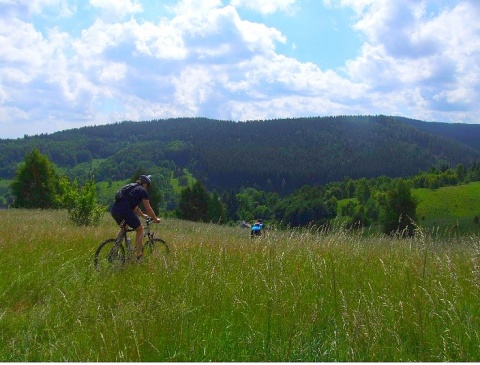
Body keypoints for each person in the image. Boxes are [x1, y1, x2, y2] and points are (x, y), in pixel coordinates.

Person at [111, 175, 161, 261]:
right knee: (140, 229)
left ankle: (114, 250)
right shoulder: (142, 191)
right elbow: (148, 208)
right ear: (145, 184)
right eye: (148, 186)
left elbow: (133, 206)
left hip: (115, 210)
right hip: (125, 211)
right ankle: (139, 256)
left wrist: (143, 215)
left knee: (124, 228)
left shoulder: (130, 186)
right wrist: (155, 219)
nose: (147, 188)